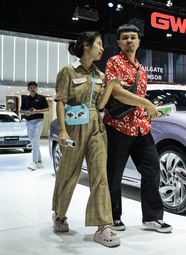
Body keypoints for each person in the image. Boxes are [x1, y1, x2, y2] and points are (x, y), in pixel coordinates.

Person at [51, 31, 122, 247]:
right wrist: (62, 130)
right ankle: (59, 214)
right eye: (99, 44)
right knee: (68, 172)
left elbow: (100, 106)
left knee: (100, 175)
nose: (102, 48)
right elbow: (61, 101)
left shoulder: (100, 76)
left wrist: (110, 86)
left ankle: (103, 226)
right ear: (86, 45)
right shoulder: (68, 71)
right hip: (73, 127)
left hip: (96, 127)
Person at [104, 24, 173, 233]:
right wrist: (146, 103)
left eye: (133, 37)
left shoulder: (141, 70)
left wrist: (153, 109)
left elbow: (137, 100)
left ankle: (152, 218)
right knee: (113, 175)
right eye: (125, 38)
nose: (129, 41)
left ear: (139, 41)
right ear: (118, 42)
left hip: (142, 128)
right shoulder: (113, 62)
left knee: (152, 171)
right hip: (118, 127)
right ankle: (113, 217)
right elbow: (116, 92)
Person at [20, 81, 49, 170]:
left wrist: (36, 111)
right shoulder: (25, 99)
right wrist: (26, 112)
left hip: (38, 121)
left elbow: (47, 109)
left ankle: (34, 162)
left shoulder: (41, 98)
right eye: (31, 87)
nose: (32, 89)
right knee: (33, 141)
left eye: (34, 87)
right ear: (28, 89)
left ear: (36, 88)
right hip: (29, 122)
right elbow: (21, 111)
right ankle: (40, 162)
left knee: (36, 140)